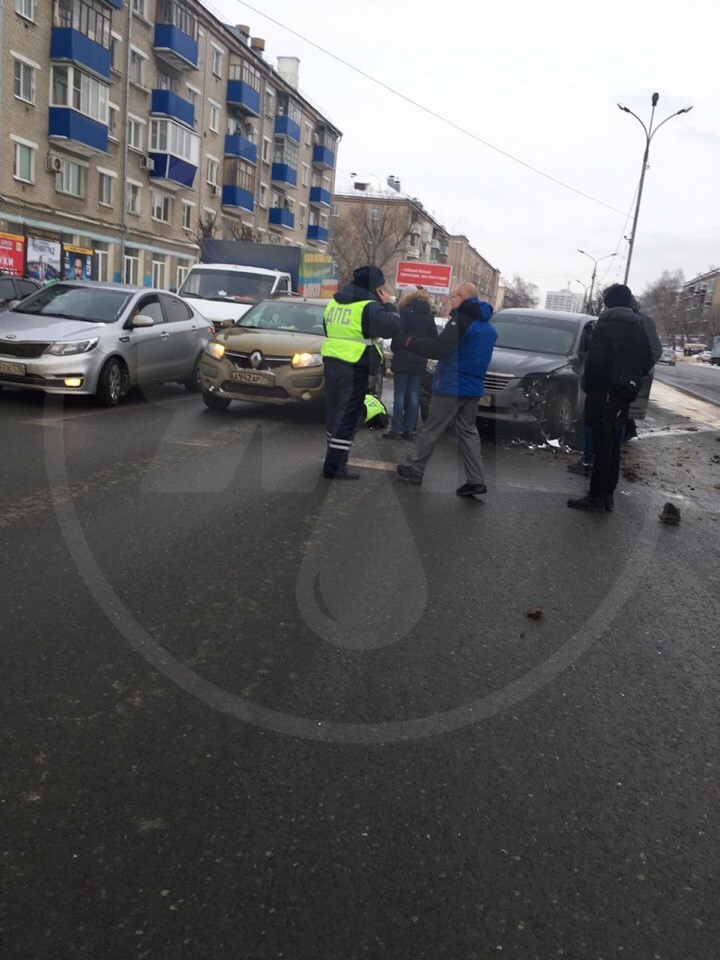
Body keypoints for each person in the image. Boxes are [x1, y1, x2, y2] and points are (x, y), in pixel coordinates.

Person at [395, 283, 497, 496]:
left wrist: (408, 341)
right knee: (468, 432)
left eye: (452, 297)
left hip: (451, 385)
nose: (450, 300)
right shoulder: (488, 328)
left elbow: (439, 350)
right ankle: (475, 479)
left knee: (432, 428)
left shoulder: (460, 323)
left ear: (461, 297)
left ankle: (415, 469)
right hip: (473, 388)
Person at [567, 284, 654, 513]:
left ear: (609, 303)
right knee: (614, 442)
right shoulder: (638, 327)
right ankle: (607, 495)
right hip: (624, 393)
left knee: (602, 444)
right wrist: (629, 377)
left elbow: (595, 361)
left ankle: (596, 496)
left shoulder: (606, 324)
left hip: (604, 390)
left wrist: (590, 384)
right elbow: (648, 360)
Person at [320, 264, 401, 480]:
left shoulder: (335, 302)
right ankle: (335, 466)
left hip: (331, 362)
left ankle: (333, 458)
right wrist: (390, 307)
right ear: (375, 287)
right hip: (355, 366)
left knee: (334, 414)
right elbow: (392, 328)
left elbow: (326, 328)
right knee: (348, 417)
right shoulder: (370, 306)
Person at [383, 286, 438, 440]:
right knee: (413, 394)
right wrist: (423, 346)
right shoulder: (429, 315)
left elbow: (398, 334)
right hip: (420, 358)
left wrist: (397, 346)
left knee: (399, 394)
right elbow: (434, 338)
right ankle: (410, 429)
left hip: (403, 356)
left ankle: (396, 429)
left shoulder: (404, 312)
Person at [623, 295, 663, 442]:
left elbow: (656, 350)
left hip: (629, 376)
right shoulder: (645, 320)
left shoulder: (643, 322)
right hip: (627, 375)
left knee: (621, 412)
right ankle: (626, 433)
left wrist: (639, 370)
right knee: (621, 412)